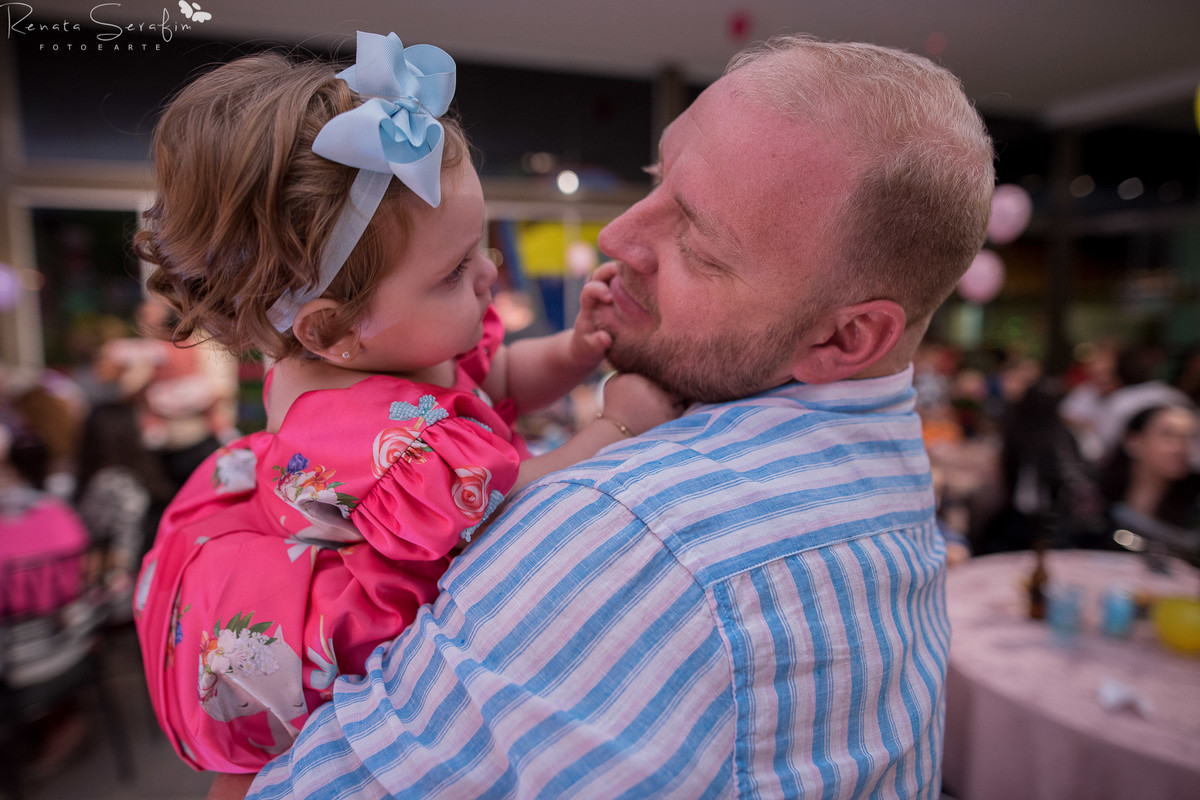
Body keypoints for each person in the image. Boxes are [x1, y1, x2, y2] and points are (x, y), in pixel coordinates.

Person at [223, 33, 997, 800]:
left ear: (845, 336)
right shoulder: (885, 467)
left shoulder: (635, 535)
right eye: (656, 176)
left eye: (698, 241)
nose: (617, 235)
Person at [132, 32, 679, 778]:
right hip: (356, 619)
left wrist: (576, 351)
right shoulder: (350, 429)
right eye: (454, 271)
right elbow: (510, 509)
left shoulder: (390, 344)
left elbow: (498, 382)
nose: (489, 275)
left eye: (480, 247)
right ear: (331, 329)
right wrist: (617, 428)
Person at [1099, 403, 1200, 558]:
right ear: (1133, 440)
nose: (1181, 447)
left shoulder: (1194, 507)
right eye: (1168, 435)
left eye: (1190, 437)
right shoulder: (1094, 498)